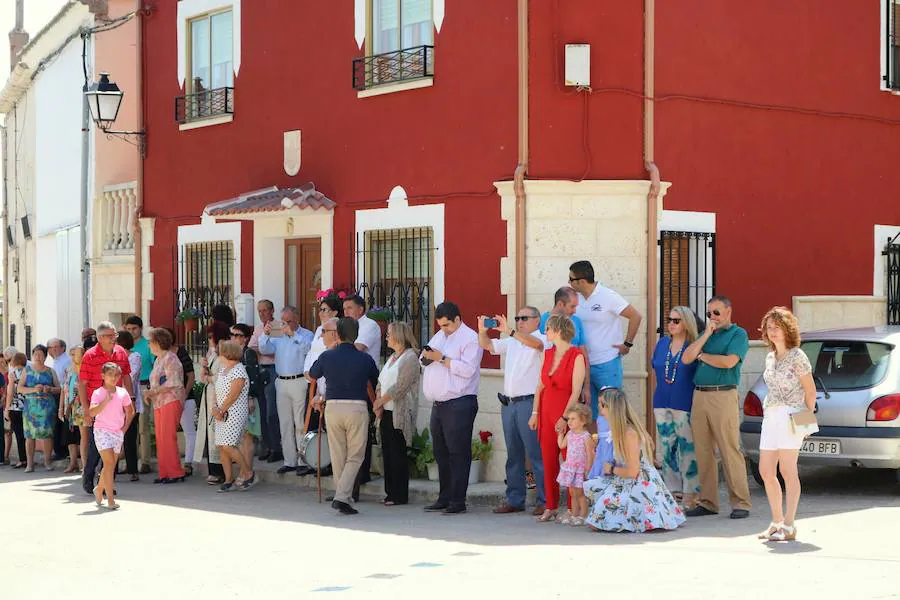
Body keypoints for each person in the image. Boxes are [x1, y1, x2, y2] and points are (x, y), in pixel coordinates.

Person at [682, 295, 752, 519]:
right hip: (699, 395)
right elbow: (687, 358)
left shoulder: (738, 335)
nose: (712, 317)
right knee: (703, 451)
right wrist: (705, 337)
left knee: (729, 449)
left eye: (717, 313)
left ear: (729, 311)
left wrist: (703, 357)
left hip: (723, 394)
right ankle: (708, 502)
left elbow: (729, 362)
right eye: (709, 313)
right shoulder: (707, 335)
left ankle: (741, 502)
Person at [583, 388, 685, 532]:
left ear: (611, 407)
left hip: (637, 482)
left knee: (597, 522)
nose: (599, 406)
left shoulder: (629, 433)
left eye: (602, 403)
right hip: (623, 480)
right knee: (595, 514)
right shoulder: (618, 430)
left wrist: (611, 469)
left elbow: (633, 471)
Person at [477, 307, 548, 516]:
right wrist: (483, 330)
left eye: (524, 318)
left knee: (535, 453)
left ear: (537, 321)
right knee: (513, 454)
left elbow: (538, 345)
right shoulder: (513, 341)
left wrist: (509, 330)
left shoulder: (541, 338)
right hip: (509, 404)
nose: (520, 321)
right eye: (517, 318)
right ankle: (515, 499)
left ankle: (545, 500)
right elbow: (488, 345)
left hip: (529, 403)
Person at [309, 317, 380, 515]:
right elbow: (375, 378)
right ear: (356, 335)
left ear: (337, 334)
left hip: (332, 406)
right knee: (356, 455)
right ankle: (342, 497)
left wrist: (330, 350)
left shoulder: (327, 355)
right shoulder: (364, 358)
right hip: (356, 407)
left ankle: (344, 497)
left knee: (338, 455)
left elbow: (314, 373)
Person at [757, 307, 816, 542]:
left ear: (787, 329)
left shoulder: (797, 356)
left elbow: (810, 392)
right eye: (768, 327)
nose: (772, 332)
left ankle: (790, 525)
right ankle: (776, 521)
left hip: (792, 415)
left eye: (776, 327)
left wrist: (805, 423)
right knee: (766, 471)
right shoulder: (770, 357)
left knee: (788, 471)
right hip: (770, 416)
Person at [421, 302, 483, 515]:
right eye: (440, 325)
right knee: (440, 452)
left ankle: (458, 501)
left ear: (458, 319)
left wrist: (441, 358)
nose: (444, 329)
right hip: (439, 404)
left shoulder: (470, 338)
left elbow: (467, 370)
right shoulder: (439, 336)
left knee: (458, 453)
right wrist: (428, 357)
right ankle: (444, 497)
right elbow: (427, 358)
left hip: (459, 403)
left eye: (447, 324)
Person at [567, 260, 643, 418]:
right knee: (588, 415)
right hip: (583, 364)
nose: (568, 282)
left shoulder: (608, 296)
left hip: (607, 363)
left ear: (581, 281)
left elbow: (635, 316)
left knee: (612, 413)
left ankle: (615, 443)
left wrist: (627, 344)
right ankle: (596, 443)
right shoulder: (574, 298)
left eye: (571, 279)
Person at [529, 314, 585, 523]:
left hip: (568, 414)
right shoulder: (548, 352)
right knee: (548, 460)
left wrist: (565, 417)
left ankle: (573, 507)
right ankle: (551, 506)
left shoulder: (576, 355)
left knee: (571, 460)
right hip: (546, 410)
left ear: (559, 331)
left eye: (549, 328)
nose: (545, 332)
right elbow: (540, 385)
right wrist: (535, 413)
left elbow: (576, 390)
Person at [651, 306, 701, 507]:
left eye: (676, 320)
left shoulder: (693, 346)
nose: (671, 323)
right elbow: (655, 369)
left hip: (684, 402)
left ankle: (691, 491)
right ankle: (673, 489)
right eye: (669, 319)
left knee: (687, 447)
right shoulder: (662, 343)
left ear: (686, 323)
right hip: (661, 402)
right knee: (666, 446)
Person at [258, 306, 313, 475]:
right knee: (285, 422)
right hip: (281, 381)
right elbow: (264, 349)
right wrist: (265, 334)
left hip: (299, 380)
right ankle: (289, 461)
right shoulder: (277, 335)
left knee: (300, 423)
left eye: (289, 321)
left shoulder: (306, 334)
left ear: (296, 320)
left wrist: (293, 335)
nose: (285, 324)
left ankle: (303, 460)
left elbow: (308, 350)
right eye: (283, 321)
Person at [80, 322, 133, 497]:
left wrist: (130, 399)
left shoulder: (121, 353)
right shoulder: (89, 356)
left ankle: (108, 484)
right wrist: (87, 410)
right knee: (97, 447)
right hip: (98, 404)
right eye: (111, 336)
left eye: (115, 335)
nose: (114, 339)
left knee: (114, 447)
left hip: (116, 403)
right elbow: (82, 383)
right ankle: (89, 475)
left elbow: (126, 376)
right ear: (101, 338)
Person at [373, 321, 421, 506]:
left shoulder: (409, 358)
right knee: (387, 453)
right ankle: (390, 492)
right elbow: (381, 381)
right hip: (385, 411)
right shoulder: (392, 357)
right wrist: (379, 402)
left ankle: (399, 494)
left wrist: (380, 400)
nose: (387, 337)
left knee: (397, 454)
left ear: (399, 335)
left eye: (389, 334)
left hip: (399, 413)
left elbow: (400, 386)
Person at [342, 295, 382, 494]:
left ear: (361, 309)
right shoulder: (346, 327)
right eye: (344, 308)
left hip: (366, 379)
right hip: (348, 380)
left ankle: (361, 473)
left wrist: (337, 347)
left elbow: (357, 348)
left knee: (361, 428)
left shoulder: (369, 326)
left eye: (350, 308)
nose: (346, 312)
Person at [89, 363, 135, 510]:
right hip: (102, 431)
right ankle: (110, 500)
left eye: (116, 375)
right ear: (103, 376)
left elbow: (130, 411)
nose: (113, 378)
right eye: (110, 374)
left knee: (110, 465)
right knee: (109, 464)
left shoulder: (122, 392)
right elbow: (91, 412)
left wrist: (124, 428)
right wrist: (105, 401)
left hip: (117, 432)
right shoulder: (98, 393)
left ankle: (99, 488)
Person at [213, 340, 255, 492]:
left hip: (234, 412)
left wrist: (221, 410)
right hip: (221, 412)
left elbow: (234, 394)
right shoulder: (223, 369)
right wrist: (214, 407)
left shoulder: (238, 370)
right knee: (222, 447)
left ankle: (247, 472)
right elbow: (216, 390)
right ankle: (228, 479)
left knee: (228, 445)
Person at [146, 327, 187, 484]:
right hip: (160, 402)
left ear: (158, 342)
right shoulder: (158, 360)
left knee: (168, 437)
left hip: (171, 400)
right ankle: (165, 472)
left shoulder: (171, 358)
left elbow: (174, 382)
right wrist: (151, 393)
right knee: (161, 437)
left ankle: (175, 472)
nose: (149, 345)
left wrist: (152, 392)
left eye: (150, 342)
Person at [539, 287, 590, 403]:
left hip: (574, 383)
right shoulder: (542, 321)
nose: (575, 311)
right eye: (572, 306)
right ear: (560, 304)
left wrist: (587, 388)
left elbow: (584, 356)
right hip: (549, 386)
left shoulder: (576, 321)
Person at [195, 322, 231, 485]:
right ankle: (213, 470)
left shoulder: (224, 354)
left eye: (211, 337)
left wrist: (208, 377)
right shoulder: (211, 354)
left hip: (218, 396)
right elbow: (204, 377)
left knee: (217, 433)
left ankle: (220, 472)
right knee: (210, 433)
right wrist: (204, 368)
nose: (209, 340)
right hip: (209, 395)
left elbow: (222, 377)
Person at [19, 345, 61, 472]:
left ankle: (47, 462)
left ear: (45, 356)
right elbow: (19, 388)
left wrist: (50, 389)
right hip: (30, 407)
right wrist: (33, 389)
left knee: (47, 435)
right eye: (35, 354)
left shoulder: (50, 371)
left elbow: (59, 388)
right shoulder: (27, 370)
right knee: (29, 435)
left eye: (40, 354)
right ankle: (30, 464)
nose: (38, 357)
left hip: (47, 407)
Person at [249, 299, 281, 463]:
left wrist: (261, 351)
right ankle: (267, 446)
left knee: (271, 411)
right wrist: (261, 351)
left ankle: (276, 447)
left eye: (264, 310)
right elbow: (252, 348)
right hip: (261, 370)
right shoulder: (258, 328)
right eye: (259, 311)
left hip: (273, 369)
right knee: (262, 409)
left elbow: (273, 351)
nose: (262, 314)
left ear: (272, 311)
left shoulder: (278, 326)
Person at [124, 316, 155, 474]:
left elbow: (155, 365)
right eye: (128, 329)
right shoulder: (122, 346)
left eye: (134, 329)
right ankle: (130, 463)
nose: (131, 332)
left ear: (140, 328)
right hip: (126, 390)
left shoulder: (147, 346)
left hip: (143, 386)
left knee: (142, 427)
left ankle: (145, 462)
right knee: (127, 429)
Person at [556, 403, 595, 526]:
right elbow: (562, 445)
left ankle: (583, 515)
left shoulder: (586, 437)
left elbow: (590, 454)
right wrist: (560, 435)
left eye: (573, 419)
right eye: (569, 419)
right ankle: (574, 514)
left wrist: (588, 469)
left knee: (580, 494)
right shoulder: (570, 434)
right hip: (570, 468)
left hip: (580, 469)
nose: (569, 422)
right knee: (572, 493)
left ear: (583, 421)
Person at [231, 324, 261, 477]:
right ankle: (244, 471)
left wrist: (250, 398)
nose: (235, 338)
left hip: (248, 400)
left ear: (246, 338)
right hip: (237, 401)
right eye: (233, 335)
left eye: (238, 335)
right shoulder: (234, 355)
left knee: (247, 437)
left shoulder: (248, 353)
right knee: (241, 438)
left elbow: (252, 377)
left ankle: (247, 472)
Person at [166, 328, 196, 475]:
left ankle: (188, 463)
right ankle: (173, 464)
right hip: (167, 400)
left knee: (189, 431)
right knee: (169, 433)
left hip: (185, 398)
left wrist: (184, 394)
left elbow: (191, 375)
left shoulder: (181, 352)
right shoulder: (159, 356)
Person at [116, 330, 142, 481]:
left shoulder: (134, 357)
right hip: (114, 401)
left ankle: (133, 469)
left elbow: (130, 377)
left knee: (130, 436)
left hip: (129, 401)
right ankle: (114, 468)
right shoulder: (113, 357)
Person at [58, 346, 87, 473]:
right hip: (69, 407)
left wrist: (78, 398)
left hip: (80, 406)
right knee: (70, 436)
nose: (73, 357)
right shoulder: (69, 370)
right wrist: (61, 407)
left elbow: (85, 386)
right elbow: (63, 389)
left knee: (82, 436)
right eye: (72, 354)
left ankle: (86, 464)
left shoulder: (85, 369)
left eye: (75, 354)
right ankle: (73, 463)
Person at [47, 338, 70, 461]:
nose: (53, 349)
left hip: (62, 395)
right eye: (51, 347)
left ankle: (62, 451)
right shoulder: (53, 361)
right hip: (53, 394)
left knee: (61, 424)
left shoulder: (67, 360)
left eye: (56, 347)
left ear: (62, 348)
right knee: (55, 424)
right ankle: (58, 450)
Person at [5, 352, 27, 468]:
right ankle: (28, 458)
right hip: (27, 406)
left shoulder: (12, 373)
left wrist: (7, 408)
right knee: (27, 435)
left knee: (19, 435)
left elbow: (10, 392)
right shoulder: (28, 371)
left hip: (15, 407)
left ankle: (22, 459)